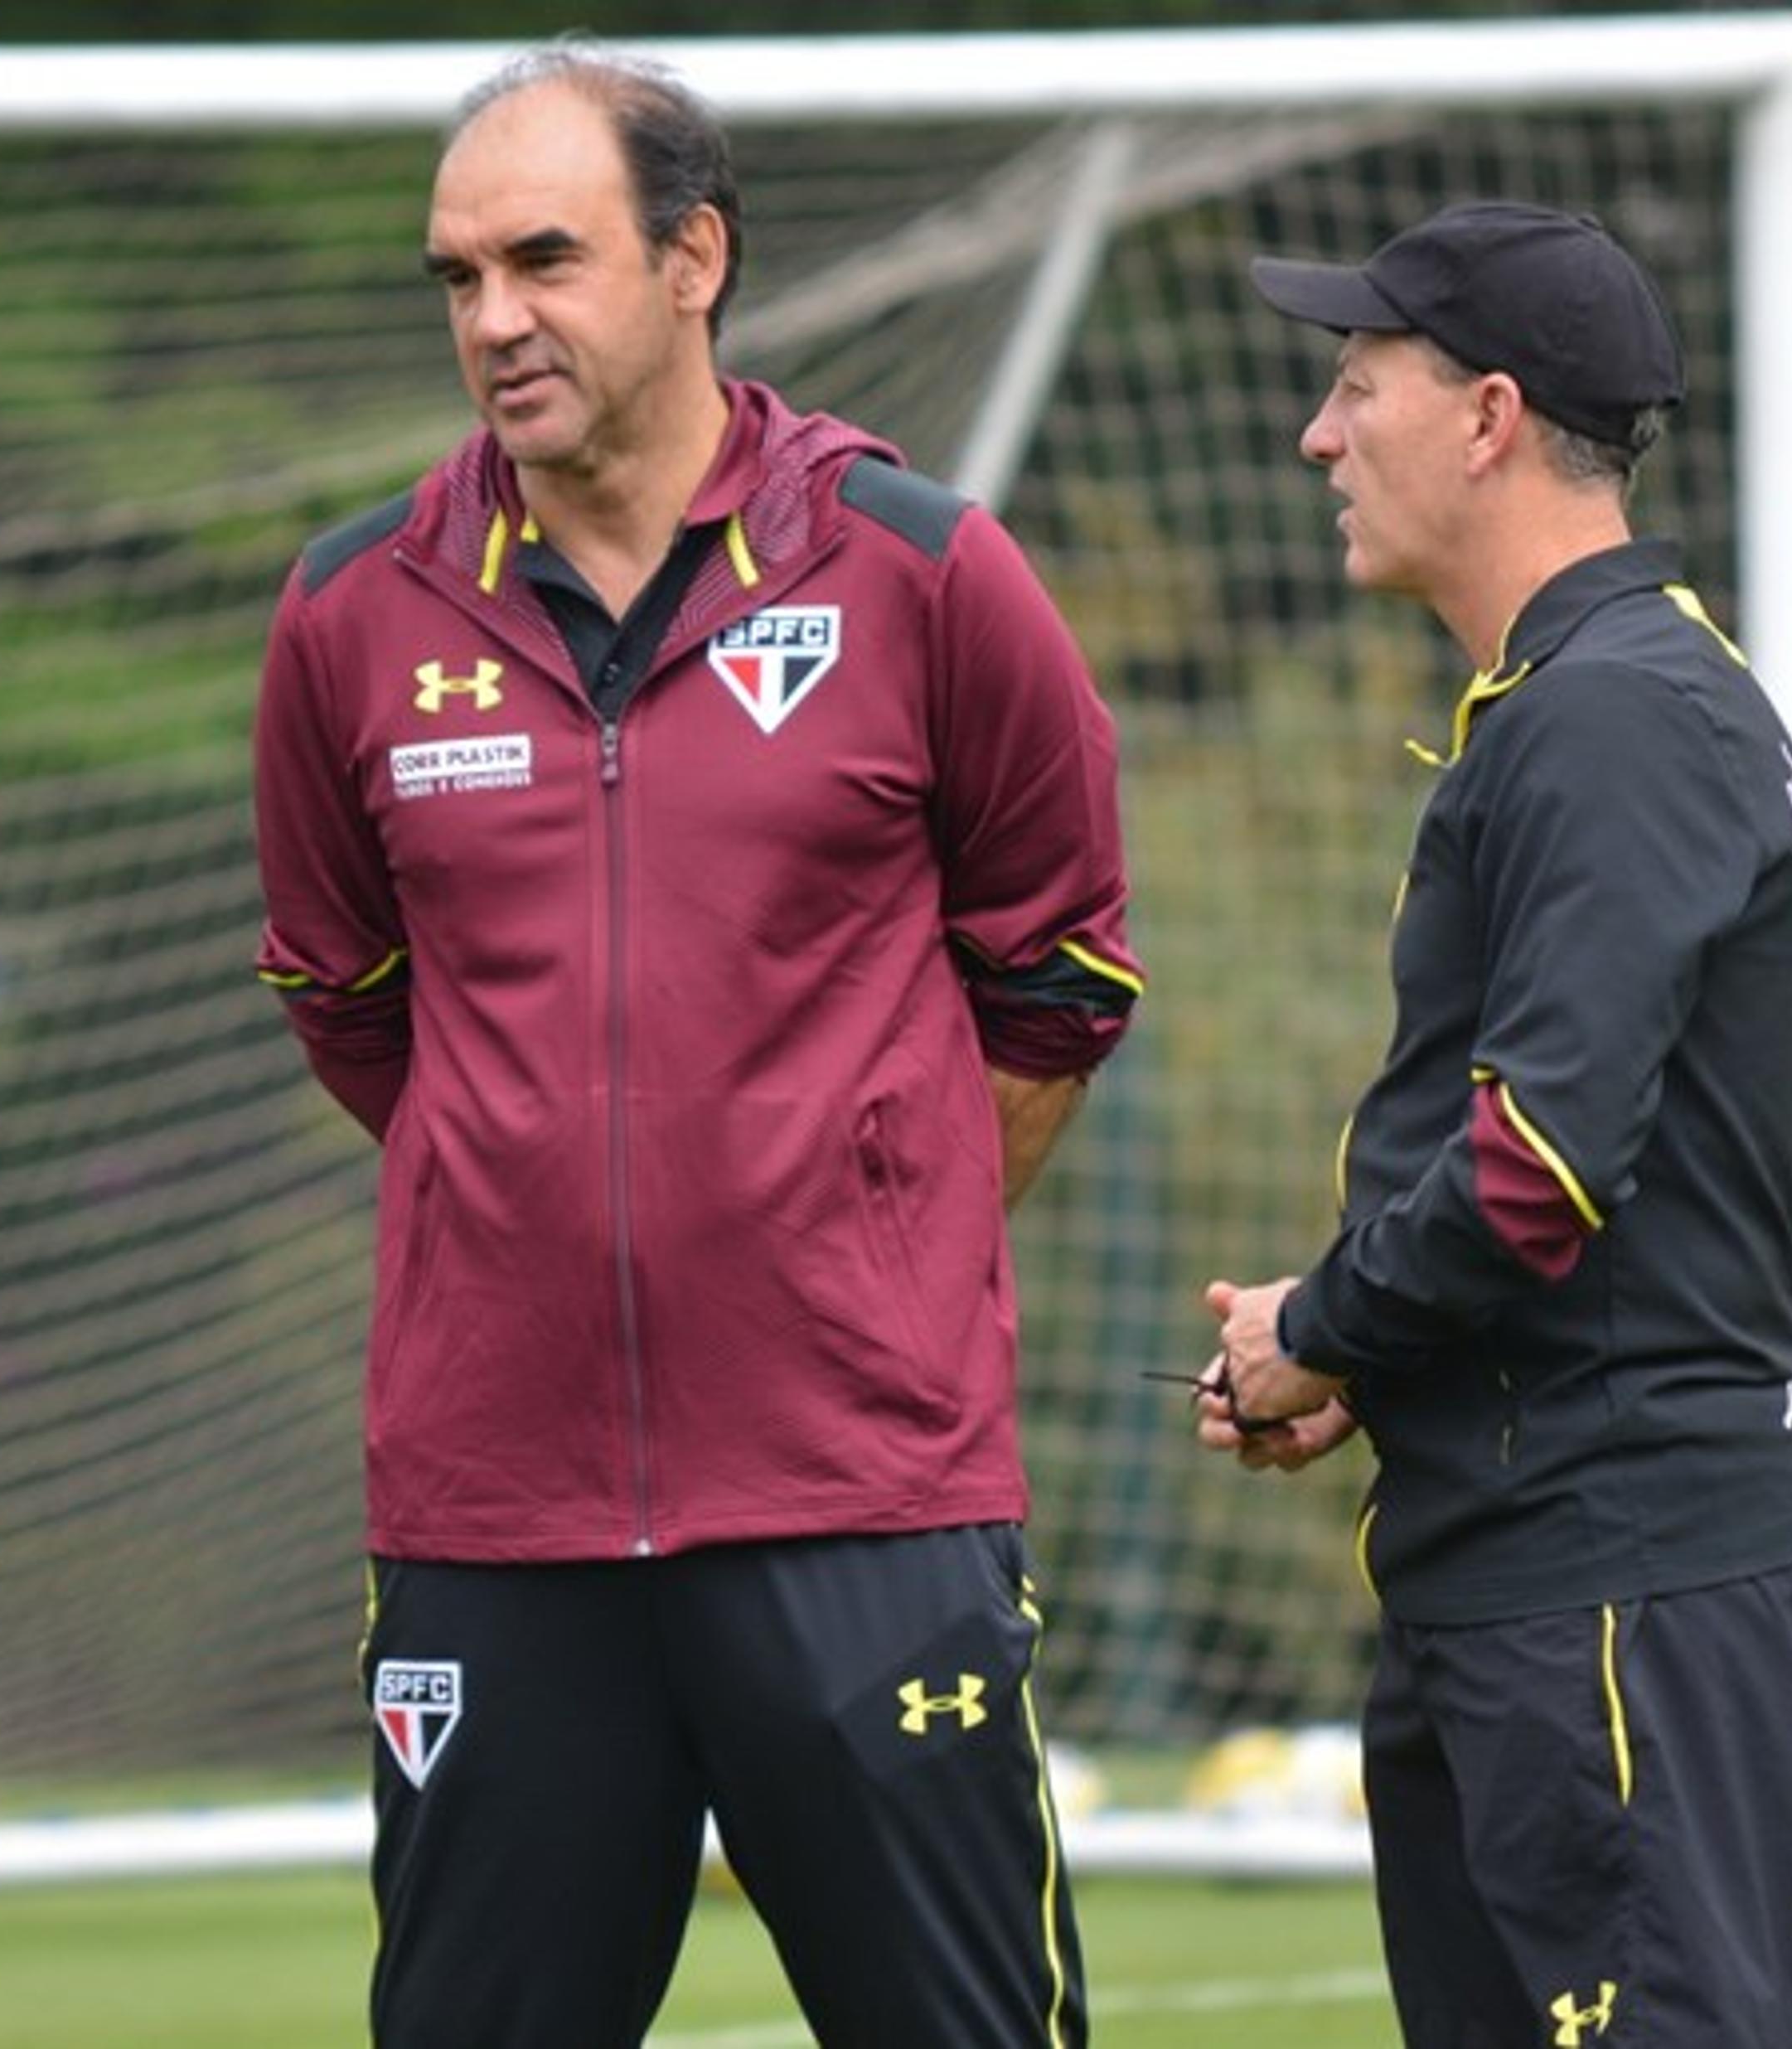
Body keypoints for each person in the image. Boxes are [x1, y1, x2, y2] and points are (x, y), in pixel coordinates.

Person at [251, 41, 1142, 2048]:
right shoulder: (347, 615)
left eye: (544, 260)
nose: (494, 321)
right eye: (457, 277)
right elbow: (346, 1000)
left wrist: (848, 1245)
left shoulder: (922, 571)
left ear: (695, 260)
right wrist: (538, 1212)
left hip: (863, 1511)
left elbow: (1062, 977)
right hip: (497, 1525)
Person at [1206, 201, 1792, 2048]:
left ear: (1486, 417)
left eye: (1356, 386)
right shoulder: (1598, 701)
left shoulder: (1615, 719)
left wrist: (1313, 1332)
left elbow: (1535, 1170)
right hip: (1535, 1574)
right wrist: (1354, 1365)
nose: (1323, 436)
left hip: (1613, 1586)